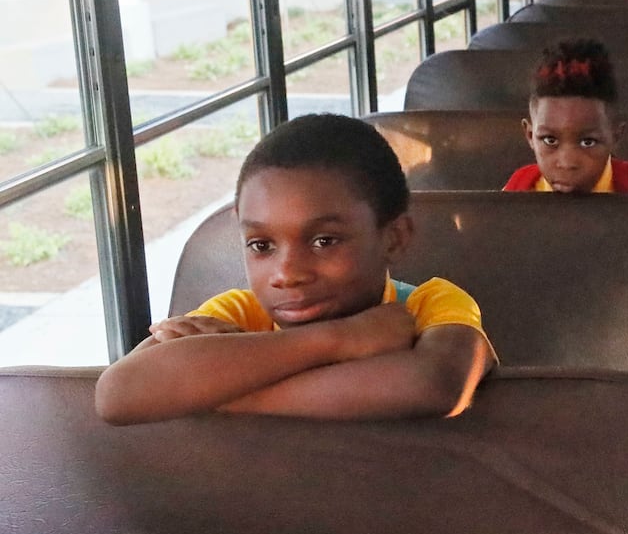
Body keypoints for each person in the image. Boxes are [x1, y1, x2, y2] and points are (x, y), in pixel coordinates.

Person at [96, 114, 496, 425]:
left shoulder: (429, 305)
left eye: (324, 241)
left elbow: (433, 385)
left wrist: (208, 392)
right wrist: (342, 340)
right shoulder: (238, 313)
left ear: (394, 237)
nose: (287, 273)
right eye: (261, 246)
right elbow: (118, 394)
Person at [504, 38, 628, 198]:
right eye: (550, 140)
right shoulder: (513, 198)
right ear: (530, 136)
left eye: (588, 142)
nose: (567, 162)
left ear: (615, 137)